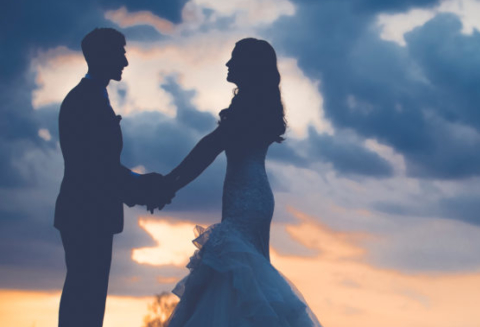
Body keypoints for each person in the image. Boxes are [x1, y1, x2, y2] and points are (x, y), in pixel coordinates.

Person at [162, 38, 322, 326]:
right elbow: (210, 147)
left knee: (237, 268)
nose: (228, 63)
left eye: (234, 58)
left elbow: (209, 147)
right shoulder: (252, 105)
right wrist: (169, 182)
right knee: (244, 272)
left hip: (246, 197)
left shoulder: (246, 108)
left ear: (248, 66)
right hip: (254, 193)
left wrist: (168, 184)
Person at [54, 28, 172, 327]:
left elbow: (101, 165)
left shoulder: (93, 97)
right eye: (120, 52)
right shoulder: (84, 101)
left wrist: (139, 184)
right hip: (85, 212)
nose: (126, 61)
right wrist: (142, 186)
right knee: (85, 298)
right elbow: (93, 167)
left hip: (90, 212)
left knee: (89, 298)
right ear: (101, 55)